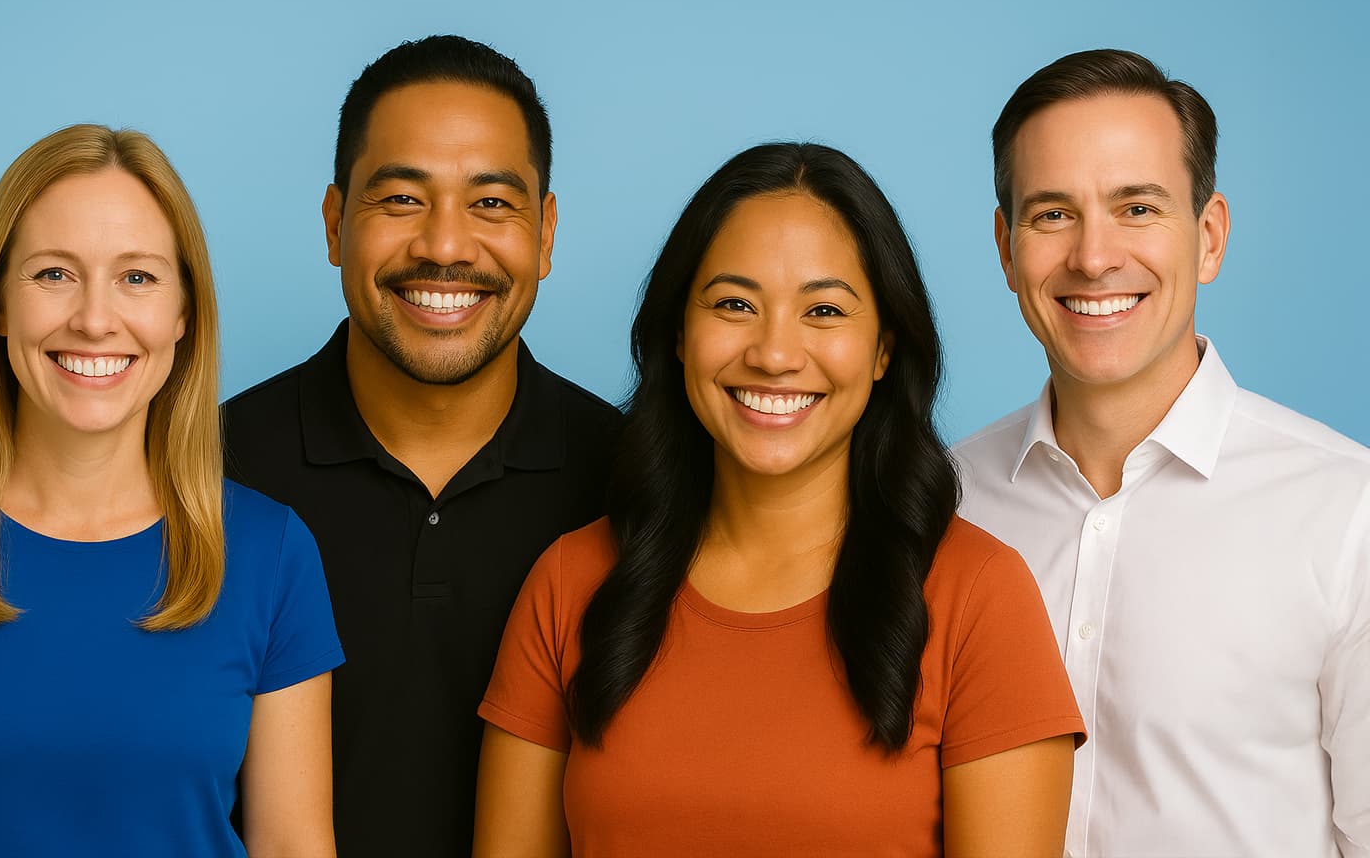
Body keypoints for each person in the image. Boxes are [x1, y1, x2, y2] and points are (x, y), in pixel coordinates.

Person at [474, 142, 1084, 856]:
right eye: (734, 304)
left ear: (884, 349)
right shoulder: (570, 582)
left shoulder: (979, 596)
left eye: (823, 310)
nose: (773, 353)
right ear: (679, 332)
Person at [0, 125, 342, 858]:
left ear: (184, 313)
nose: (95, 320)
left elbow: (293, 845)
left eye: (137, 278)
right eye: (53, 274)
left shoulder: (272, 554)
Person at [955, 48, 1370, 857]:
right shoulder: (941, 501)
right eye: (1053, 214)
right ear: (1006, 249)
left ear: (1208, 237)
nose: (1094, 257)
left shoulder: (1347, 514)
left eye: (1137, 208)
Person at [222, 35, 622, 854]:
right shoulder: (202, 468)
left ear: (546, 233)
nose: (445, 246)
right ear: (335, 223)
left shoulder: (642, 482)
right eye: (402, 199)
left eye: (492, 203)